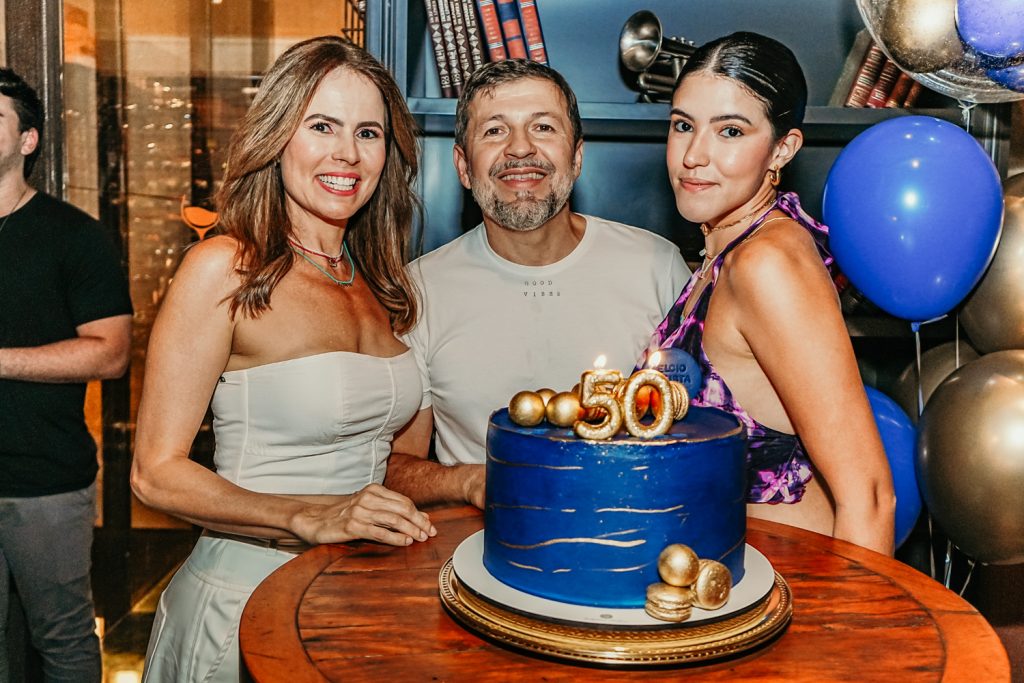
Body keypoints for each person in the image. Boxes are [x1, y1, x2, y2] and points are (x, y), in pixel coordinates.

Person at [131, 36, 436, 682]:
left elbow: (398, 460)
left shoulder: (385, 284)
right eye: (321, 125)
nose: (347, 154)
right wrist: (305, 512)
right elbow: (155, 473)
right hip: (240, 605)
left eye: (369, 133)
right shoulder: (225, 268)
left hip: (348, 605)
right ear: (277, 135)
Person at [386, 59, 689, 508]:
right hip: (480, 552)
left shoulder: (657, 266)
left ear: (577, 156)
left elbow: (701, 429)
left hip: (632, 538)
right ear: (464, 167)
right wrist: (472, 482)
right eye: (494, 131)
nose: (520, 149)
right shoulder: (420, 289)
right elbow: (395, 468)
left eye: (543, 127)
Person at [644, 32, 895, 555]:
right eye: (683, 125)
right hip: (727, 586)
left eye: (730, 131)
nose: (694, 155)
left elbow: (869, 496)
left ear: (783, 148)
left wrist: (855, 635)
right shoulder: (727, 250)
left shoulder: (767, 263)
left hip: (793, 591)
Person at [0, 68, 132, 682]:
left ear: (27, 140)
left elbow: (110, 353)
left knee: (63, 639)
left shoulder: (75, 237)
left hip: (43, 484)